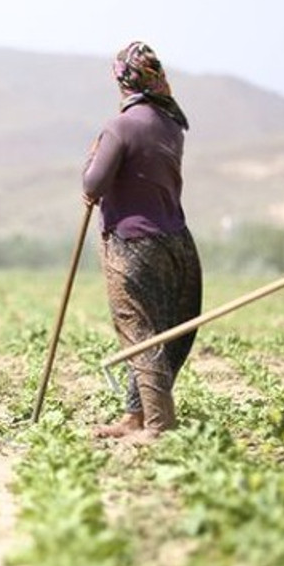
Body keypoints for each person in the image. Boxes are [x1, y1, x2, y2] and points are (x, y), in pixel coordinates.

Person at [83, 41, 202, 444]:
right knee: (166, 331)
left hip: (132, 244)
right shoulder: (171, 124)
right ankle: (135, 415)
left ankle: (156, 425)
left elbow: (93, 184)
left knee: (139, 332)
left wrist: (93, 155)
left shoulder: (121, 126)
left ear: (122, 81)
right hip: (177, 243)